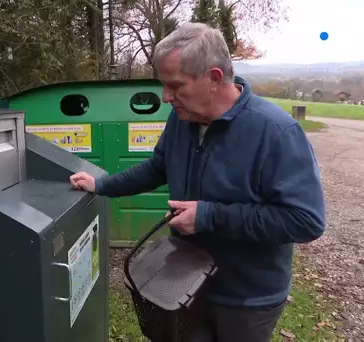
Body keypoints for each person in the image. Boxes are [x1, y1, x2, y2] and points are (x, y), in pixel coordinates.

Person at [69, 22, 325, 342]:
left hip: (244, 300)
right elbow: (157, 167)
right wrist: (102, 184)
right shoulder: (183, 118)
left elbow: (305, 221)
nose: (166, 97)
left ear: (214, 78)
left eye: (175, 86)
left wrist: (209, 216)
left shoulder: (275, 132)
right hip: (184, 285)